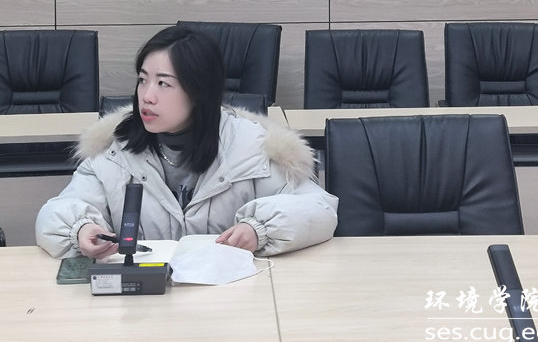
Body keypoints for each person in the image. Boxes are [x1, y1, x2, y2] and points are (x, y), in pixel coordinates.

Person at [35, 25, 338, 259]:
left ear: (198, 91)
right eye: (142, 80)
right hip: (145, 302)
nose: (147, 96)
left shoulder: (250, 146)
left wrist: (259, 230)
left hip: (229, 298)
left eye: (163, 83)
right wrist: (80, 229)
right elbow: (55, 213)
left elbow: (319, 209)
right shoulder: (114, 150)